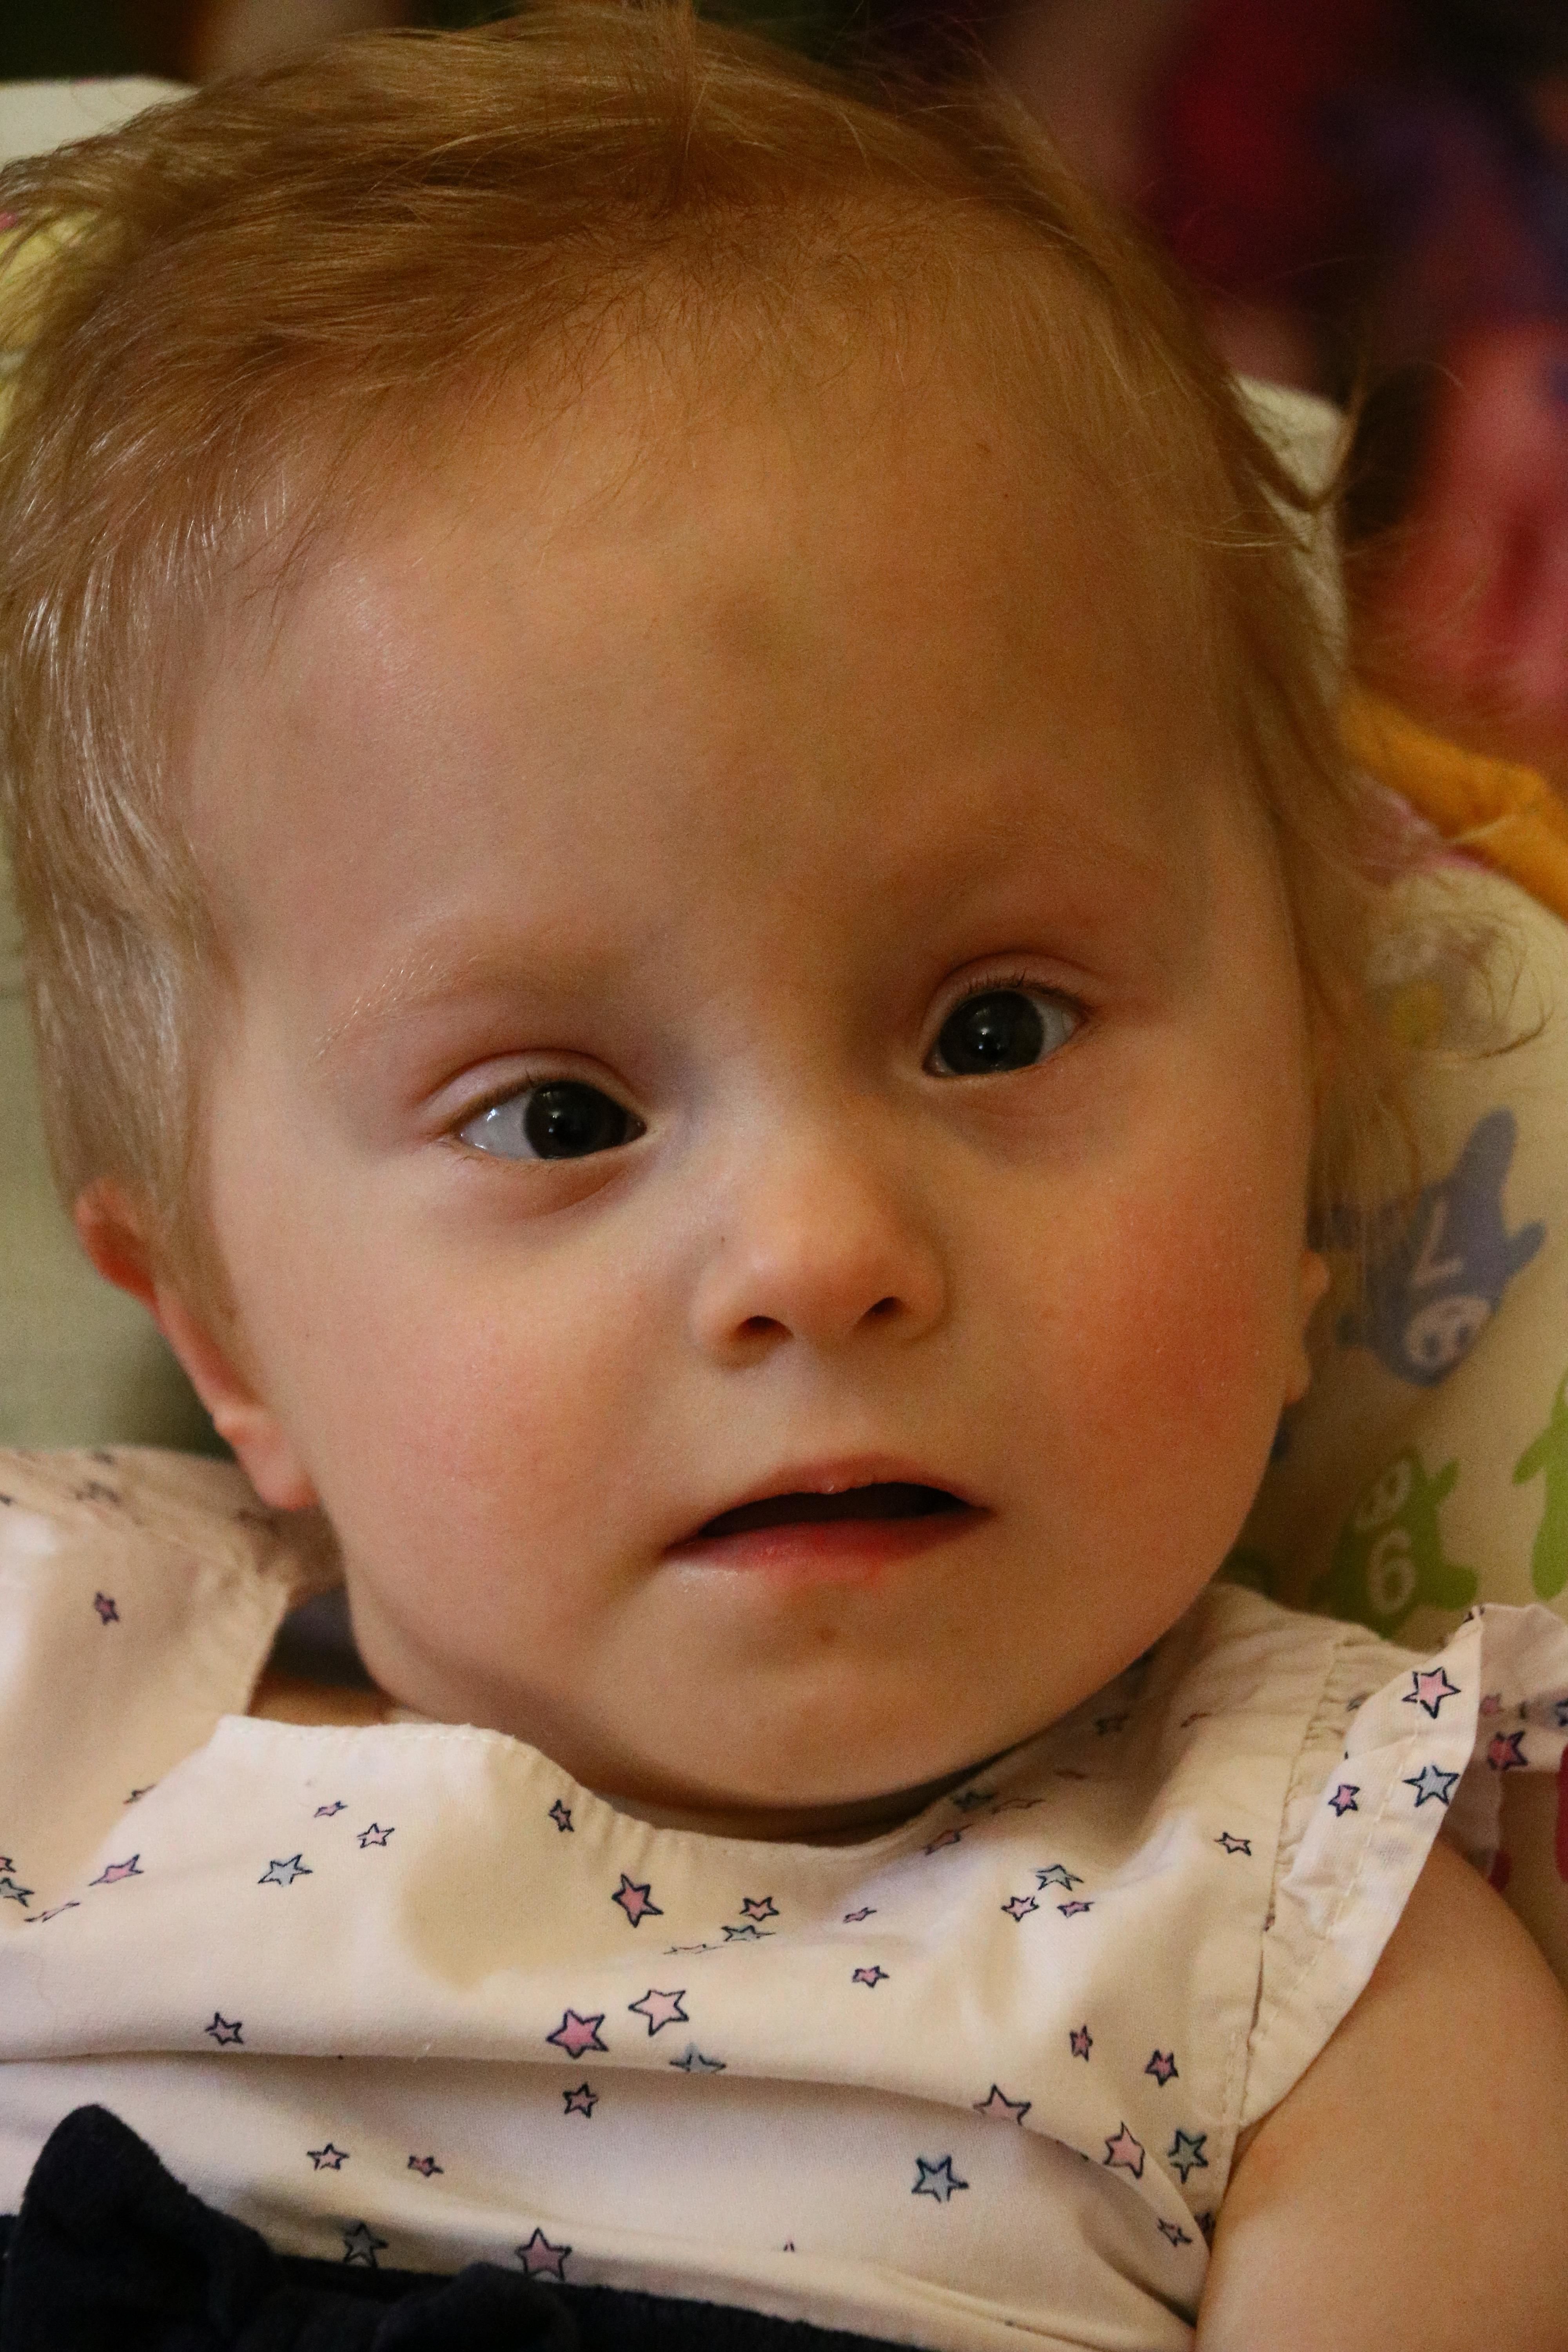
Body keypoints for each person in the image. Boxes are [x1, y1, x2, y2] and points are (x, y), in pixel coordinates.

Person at [0, 7, 1566, 2345]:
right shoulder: (52, 1673)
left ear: (1310, 1149)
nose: (822, 1257)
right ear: (225, 1337)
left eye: (996, 1029)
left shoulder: (1306, 1955)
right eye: (558, 1117)